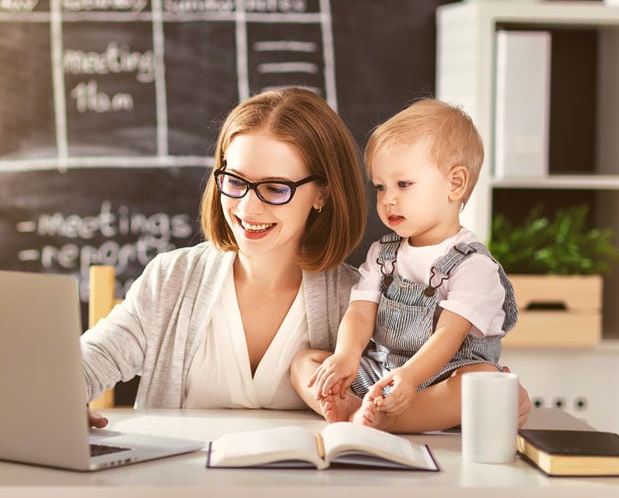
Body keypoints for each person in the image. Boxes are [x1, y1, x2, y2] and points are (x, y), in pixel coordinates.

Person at [82, 87, 368, 428]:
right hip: (179, 480)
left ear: (323, 193)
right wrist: (61, 397)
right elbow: (92, 359)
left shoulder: (359, 302)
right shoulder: (172, 278)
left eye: (275, 189)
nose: (247, 208)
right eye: (234, 181)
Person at [290, 98, 522, 433]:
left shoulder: (474, 266)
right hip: (384, 372)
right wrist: (346, 356)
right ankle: (357, 406)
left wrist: (410, 379)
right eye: (380, 187)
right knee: (304, 363)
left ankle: (388, 419)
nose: (388, 200)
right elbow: (360, 312)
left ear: (454, 184)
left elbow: (449, 334)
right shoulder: (383, 254)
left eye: (403, 184)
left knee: (483, 380)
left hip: (440, 379)